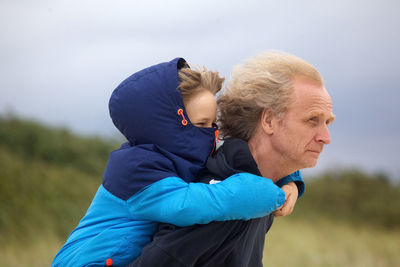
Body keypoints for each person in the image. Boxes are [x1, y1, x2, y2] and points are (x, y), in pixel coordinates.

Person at [52, 58, 302, 267]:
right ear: (169, 126)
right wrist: (268, 194)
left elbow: (245, 154)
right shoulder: (135, 169)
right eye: (202, 124)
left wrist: (289, 180)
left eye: (213, 124)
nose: (212, 133)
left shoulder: (179, 155)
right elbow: (189, 204)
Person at [130, 51, 334, 266]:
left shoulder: (259, 187)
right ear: (269, 120)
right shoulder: (225, 201)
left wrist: (290, 180)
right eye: (312, 119)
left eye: (327, 122)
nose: (326, 138)